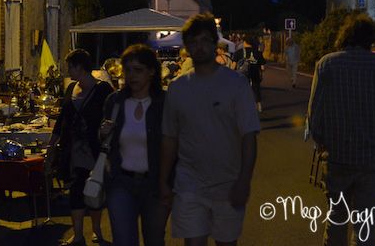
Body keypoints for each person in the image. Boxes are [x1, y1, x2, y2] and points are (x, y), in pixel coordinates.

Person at [160, 13, 260, 246]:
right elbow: (169, 138)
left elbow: (248, 135)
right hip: (189, 185)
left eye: (205, 40)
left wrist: (244, 180)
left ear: (215, 43)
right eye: (193, 42)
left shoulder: (236, 84)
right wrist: (164, 180)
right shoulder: (177, 89)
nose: (199, 46)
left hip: (228, 183)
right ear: (186, 48)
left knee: (226, 242)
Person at [307, 14, 375, 246]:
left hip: (337, 157)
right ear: (370, 39)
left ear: (345, 36)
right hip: (370, 158)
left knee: (336, 220)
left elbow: (314, 115)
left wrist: (323, 145)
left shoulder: (326, 64)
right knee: (365, 225)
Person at [99, 44, 170, 246]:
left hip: (155, 184)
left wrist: (169, 183)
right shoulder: (115, 101)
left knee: (154, 239)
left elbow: (174, 144)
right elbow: (105, 142)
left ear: (151, 72)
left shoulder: (164, 103)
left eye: (138, 70)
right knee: (123, 240)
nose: (132, 76)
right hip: (121, 182)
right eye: (127, 70)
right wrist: (102, 132)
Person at [49, 49, 114, 246]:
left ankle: (96, 230)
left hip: (95, 149)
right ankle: (78, 235)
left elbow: (113, 116)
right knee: (76, 190)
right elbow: (62, 119)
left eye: (70, 66)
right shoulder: (71, 89)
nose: (68, 70)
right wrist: (52, 144)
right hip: (74, 150)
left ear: (80, 67)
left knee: (94, 190)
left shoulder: (103, 90)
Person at [232, 36, 266, 112]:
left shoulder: (238, 52)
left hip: (242, 74)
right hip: (255, 73)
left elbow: (233, 66)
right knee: (256, 88)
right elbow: (263, 64)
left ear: (245, 42)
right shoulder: (258, 52)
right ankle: (259, 105)